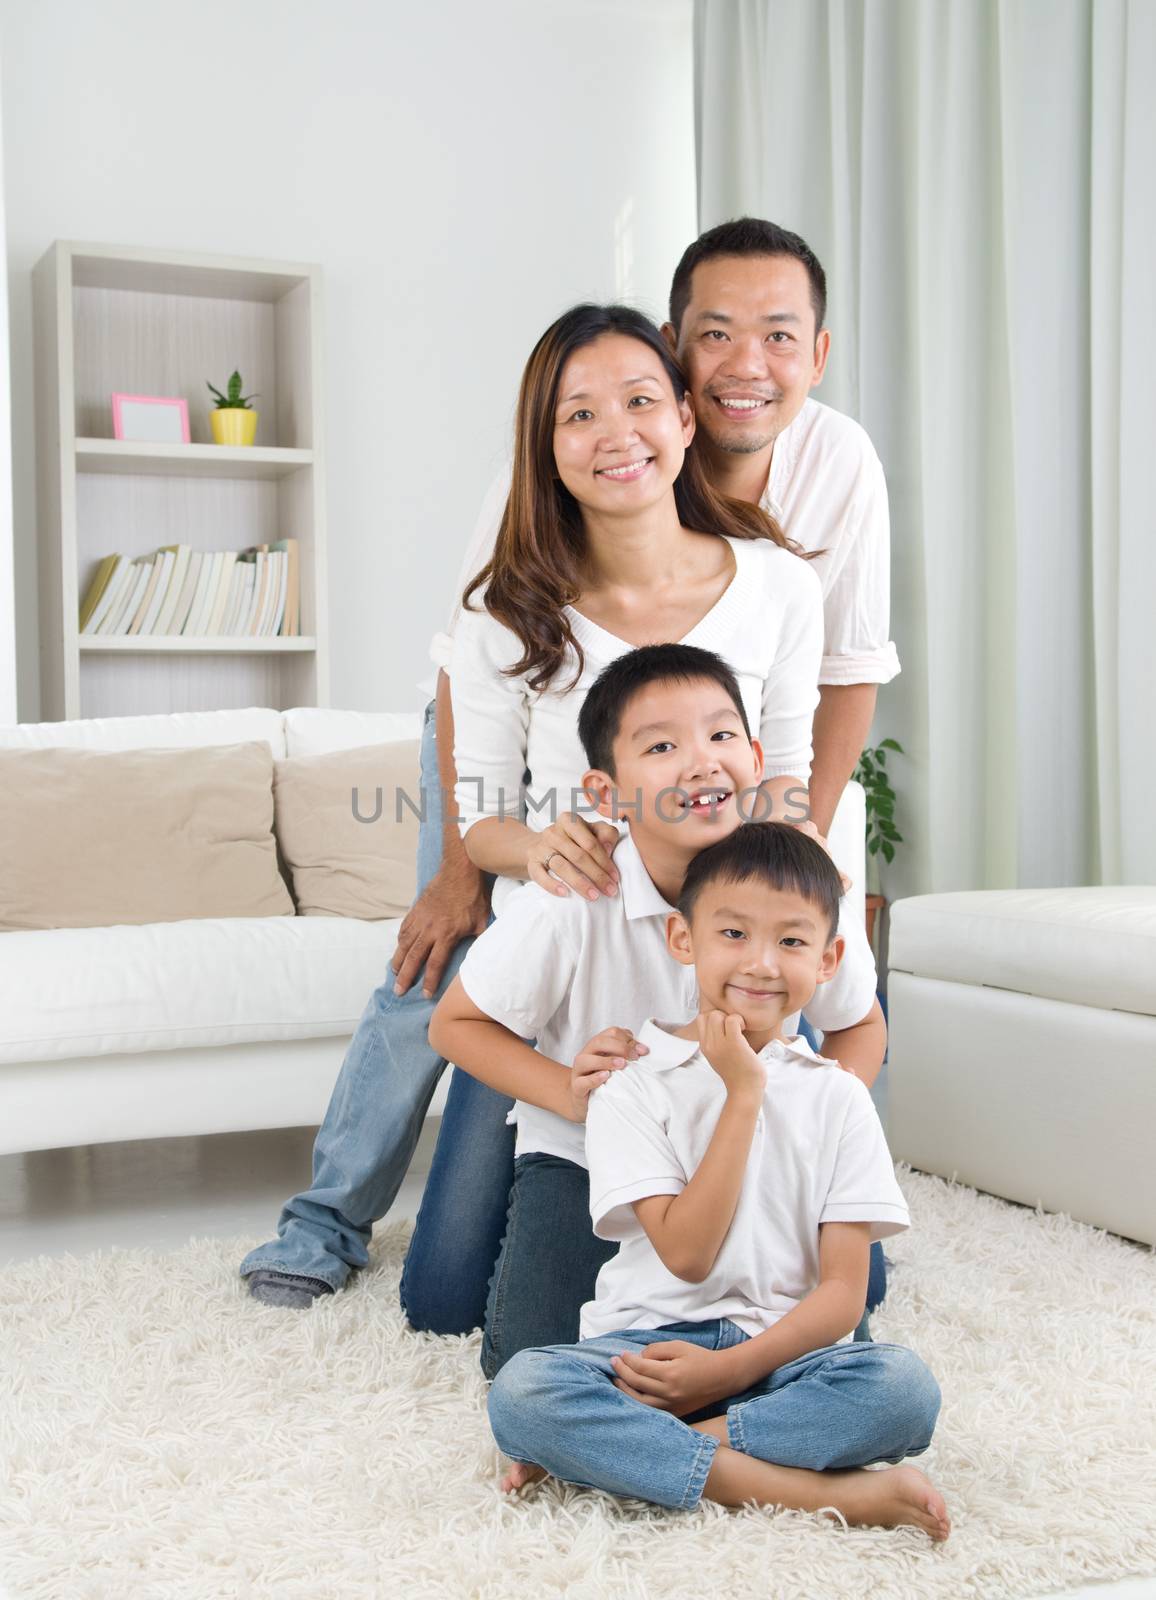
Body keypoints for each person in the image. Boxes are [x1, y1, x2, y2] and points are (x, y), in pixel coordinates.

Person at [241, 215, 896, 1314]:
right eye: (717, 334)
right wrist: (481, 863)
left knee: (832, 1265)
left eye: (777, 334)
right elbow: (473, 727)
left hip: (712, 864)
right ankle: (326, 1221)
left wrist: (783, 867)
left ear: (685, 412)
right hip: (559, 851)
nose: (746, 362)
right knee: (438, 985)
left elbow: (819, 717)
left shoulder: (795, 544)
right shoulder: (521, 574)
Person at [431, 642, 884, 1376]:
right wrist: (569, 1094)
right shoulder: (574, 894)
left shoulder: (798, 879)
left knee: (834, 1347)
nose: (702, 761)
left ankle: (726, 1437)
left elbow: (860, 1023)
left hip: (758, 1157)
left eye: (721, 734)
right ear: (607, 795)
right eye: (663, 745)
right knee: (515, 1355)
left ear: (756, 756)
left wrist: (816, 1122)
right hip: (594, 1157)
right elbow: (454, 1023)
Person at [486, 821, 948, 1541]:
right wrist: (741, 1095)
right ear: (683, 940)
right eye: (733, 934)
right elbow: (689, 1254)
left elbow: (841, 1296)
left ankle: (622, 1455)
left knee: (903, 1392)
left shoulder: (840, 1097)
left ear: (829, 959)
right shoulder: (630, 1084)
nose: (761, 964)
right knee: (523, 1392)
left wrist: (726, 1373)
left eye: (792, 942)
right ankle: (808, 1492)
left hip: (781, 1356)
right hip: (644, 1354)